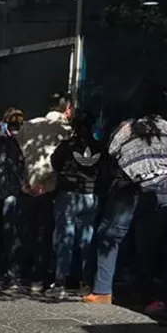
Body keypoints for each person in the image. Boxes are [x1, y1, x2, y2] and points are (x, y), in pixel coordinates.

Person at [88, 87, 167, 306]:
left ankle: (102, 290)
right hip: (163, 189)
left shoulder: (127, 127)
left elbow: (112, 151)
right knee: (150, 245)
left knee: (110, 236)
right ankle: (145, 294)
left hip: (129, 187)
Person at [16, 93, 74, 293]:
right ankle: (41, 276)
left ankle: (24, 273)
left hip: (28, 184)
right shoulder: (66, 129)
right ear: (68, 109)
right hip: (51, 186)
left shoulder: (29, 125)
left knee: (28, 231)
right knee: (46, 232)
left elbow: (21, 154)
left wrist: (29, 178)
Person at [47, 109, 107, 299]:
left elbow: (54, 163)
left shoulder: (66, 146)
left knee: (65, 238)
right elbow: (105, 169)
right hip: (90, 195)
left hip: (68, 194)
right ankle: (86, 282)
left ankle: (60, 283)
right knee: (86, 240)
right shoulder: (99, 146)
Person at [0, 109, 27, 288]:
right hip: (19, 191)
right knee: (15, 232)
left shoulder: (1, 141)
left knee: (6, 232)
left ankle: (7, 271)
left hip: (3, 192)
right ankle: (14, 272)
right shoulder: (24, 139)